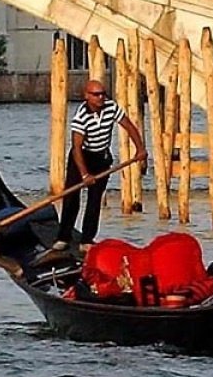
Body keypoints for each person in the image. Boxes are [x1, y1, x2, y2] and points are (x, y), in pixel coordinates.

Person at [44, 75, 147, 257]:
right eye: (96, 95)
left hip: (101, 158)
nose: (101, 98)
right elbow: (76, 148)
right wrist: (84, 175)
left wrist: (140, 149)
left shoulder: (111, 107)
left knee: (94, 200)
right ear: (87, 96)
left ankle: (86, 240)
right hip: (81, 157)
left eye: (103, 94)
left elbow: (129, 126)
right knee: (71, 197)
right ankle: (63, 237)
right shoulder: (80, 117)